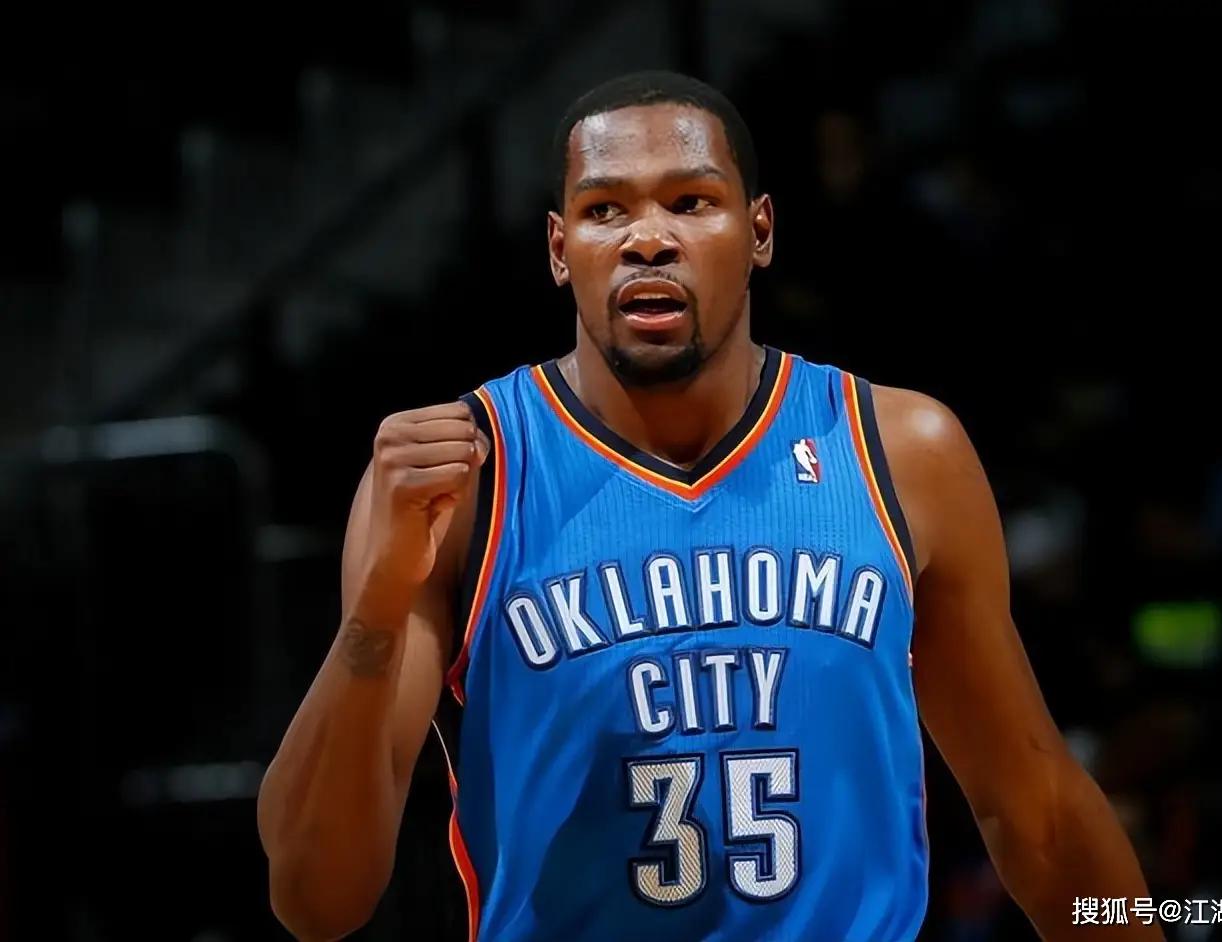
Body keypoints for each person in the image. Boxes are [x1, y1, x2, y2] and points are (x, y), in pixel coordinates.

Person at [257, 70, 1159, 941]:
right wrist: (375, 608)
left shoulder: (900, 450)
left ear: (759, 231)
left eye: (691, 201)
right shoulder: (464, 476)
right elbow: (315, 899)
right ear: (560, 250)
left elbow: (1038, 814)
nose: (648, 239)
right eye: (605, 209)